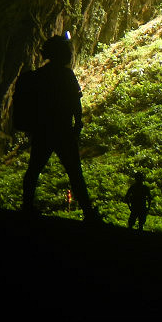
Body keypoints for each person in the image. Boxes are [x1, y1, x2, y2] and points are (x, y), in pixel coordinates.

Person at [21, 32, 100, 223]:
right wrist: (77, 124)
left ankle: (27, 207)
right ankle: (88, 213)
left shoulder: (39, 76)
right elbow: (75, 102)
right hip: (63, 130)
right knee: (75, 172)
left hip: (43, 131)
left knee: (33, 170)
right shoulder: (66, 75)